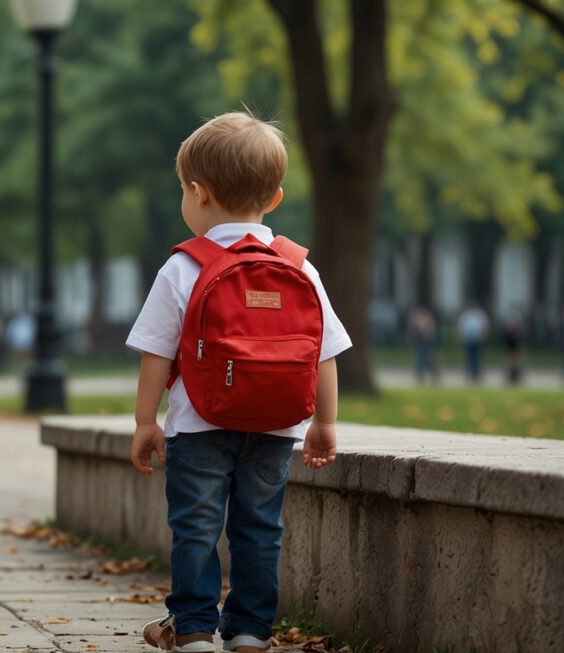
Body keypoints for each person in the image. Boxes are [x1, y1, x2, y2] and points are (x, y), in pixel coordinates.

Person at [126, 112, 351, 653]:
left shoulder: (184, 266)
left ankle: (196, 629)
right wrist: (323, 422)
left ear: (197, 194)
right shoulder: (300, 267)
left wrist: (143, 422)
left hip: (199, 425)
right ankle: (250, 631)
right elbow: (323, 353)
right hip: (276, 427)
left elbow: (157, 354)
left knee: (197, 528)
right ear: (274, 199)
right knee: (259, 530)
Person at [457, 301, 489, 383]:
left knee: (477, 358)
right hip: (468, 339)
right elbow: (461, 327)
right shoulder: (465, 315)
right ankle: (469, 375)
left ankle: (477, 375)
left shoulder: (480, 315)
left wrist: (481, 336)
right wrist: (462, 337)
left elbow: (484, 327)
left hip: (477, 339)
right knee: (468, 358)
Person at [407, 305, 439, 384]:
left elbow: (431, 333)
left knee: (429, 360)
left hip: (427, 343)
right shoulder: (416, 321)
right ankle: (420, 375)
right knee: (419, 359)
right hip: (420, 343)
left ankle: (433, 375)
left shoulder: (429, 321)